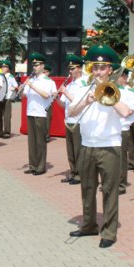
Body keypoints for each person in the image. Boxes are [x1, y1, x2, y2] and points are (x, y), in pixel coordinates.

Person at [68, 44, 132, 248]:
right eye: (95, 68)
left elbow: (126, 113)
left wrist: (108, 95)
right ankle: (88, 225)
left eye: (102, 68)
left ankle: (109, 232)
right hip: (87, 145)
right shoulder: (83, 89)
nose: (98, 72)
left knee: (109, 190)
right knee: (87, 188)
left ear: (110, 70)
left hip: (109, 146)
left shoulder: (119, 90)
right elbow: (71, 112)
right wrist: (86, 101)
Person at [20, 52, 56, 176]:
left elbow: (46, 95)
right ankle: (32, 165)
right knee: (32, 141)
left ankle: (40, 167)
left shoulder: (47, 81)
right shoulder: (31, 80)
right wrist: (20, 88)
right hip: (30, 112)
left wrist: (32, 86)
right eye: (33, 65)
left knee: (40, 141)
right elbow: (24, 95)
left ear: (42, 66)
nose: (34, 67)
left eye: (37, 65)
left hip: (41, 113)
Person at [57, 54, 87, 185]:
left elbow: (79, 101)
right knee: (70, 150)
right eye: (69, 69)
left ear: (80, 69)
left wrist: (66, 93)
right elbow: (64, 104)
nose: (70, 71)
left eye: (73, 68)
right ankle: (73, 172)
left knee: (78, 149)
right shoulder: (70, 84)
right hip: (69, 120)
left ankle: (80, 175)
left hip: (79, 121)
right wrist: (56, 97)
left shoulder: (83, 83)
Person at [116, 67, 134, 195]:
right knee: (111, 157)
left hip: (123, 127)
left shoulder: (131, 92)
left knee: (121, 158)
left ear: (124, 77)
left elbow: (129, 111)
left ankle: (120, 184)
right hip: (111, 128)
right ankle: (111, 182)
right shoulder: (111, 90)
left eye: (117, 76)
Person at [0, 59, 18, 139]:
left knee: (6, 116)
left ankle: (7, 132)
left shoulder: (11, 77)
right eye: (2, 67)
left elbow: (16, 86)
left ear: (8, 68)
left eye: (5, 67)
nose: (3, 68)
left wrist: (13, 88)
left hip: (7, 98)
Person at [43, 64, 57, 142]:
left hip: (48, 103)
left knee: (47, 120)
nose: (45, 74)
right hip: (39, 104)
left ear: (49, 73)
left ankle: (47, 136)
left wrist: (53, 94)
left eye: (46, 72)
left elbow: (54, 91)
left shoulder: (51, 82)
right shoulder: (38, 81)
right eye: (44, 72)